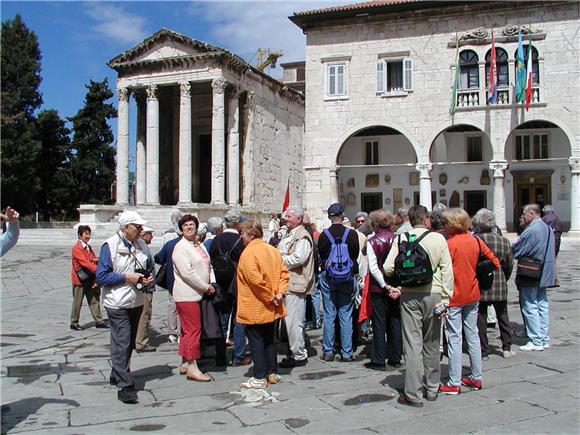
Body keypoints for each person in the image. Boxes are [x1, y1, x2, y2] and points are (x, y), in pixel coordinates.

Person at [384, 205, 454, 407]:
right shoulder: (438, 238)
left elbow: (388, 267)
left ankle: (413, 393)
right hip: (434, 294)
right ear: (426, 220)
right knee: (432, 342)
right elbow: (447, 269)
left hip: (409, 295)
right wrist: (447, 298)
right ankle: (432, 388)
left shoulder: (401, 238)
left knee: (412, 344)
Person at [439, 208, 499, 395]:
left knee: (455, 338)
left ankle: (454, 381)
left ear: (452, 224)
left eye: (447, 223)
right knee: (472, 335)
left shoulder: (449, 244)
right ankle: (476, 377)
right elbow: (495, 262)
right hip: (472, 294)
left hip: (454, 295)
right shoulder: (475, 240)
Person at [96, 210, 154, 403]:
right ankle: (125, 385)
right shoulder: (110, 246)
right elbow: (101, 277)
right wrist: (126, 277)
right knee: (123, 340)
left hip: (136, 300)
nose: (140, 230)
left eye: (141, 227)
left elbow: (148, 267)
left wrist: (147, 277)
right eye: (137, 227)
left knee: (127, 341)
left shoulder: (142, 245)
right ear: (125, 227)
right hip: (116, 301)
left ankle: (117, 371)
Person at [236, 219, 289, 388]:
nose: (241, 237)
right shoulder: (272, 250)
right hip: (272, 304)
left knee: (256, 339)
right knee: (269, 338)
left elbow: (254, 280)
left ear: (251, 234)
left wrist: (269, 296)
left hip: (256, 304)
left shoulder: (248, 253)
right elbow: (284, 273)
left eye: (242, 233)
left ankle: (259, 376)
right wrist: (279, 293)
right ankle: (272, 372)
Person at [172, 214, 216, 382]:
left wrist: (212, 281)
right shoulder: (180, 247)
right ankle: (192, 367)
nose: (189, 227)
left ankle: (185, 362)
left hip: (196, 293)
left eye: (191, 225)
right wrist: (205, 287)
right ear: (181, 229)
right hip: (187, 294)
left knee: (187, 330)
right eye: (185, 225)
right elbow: (187, 273)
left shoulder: (198, 244)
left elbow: (207, 265)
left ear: (197, 227)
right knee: (193, 330)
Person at [317, 203, 360, 362]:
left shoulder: (324, 235)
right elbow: (355, 254)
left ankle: (328, 351)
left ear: (329, 216)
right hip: (347, 277)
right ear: (342, 214)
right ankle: (346, 352)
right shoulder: (352, 234)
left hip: (329, 276)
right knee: (346, 314)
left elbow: (321, 253)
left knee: (329, 314)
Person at [471, 209, 515, 360]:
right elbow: (509, 264)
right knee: (503, 315)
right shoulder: (504, 241)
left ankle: (484, 351)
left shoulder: (475, 240)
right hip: (499, 282)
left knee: (481, 317)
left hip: (480, 282)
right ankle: (507, 347)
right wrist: (504, 277)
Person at [512, 204, 556, 351]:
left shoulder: (531, 230)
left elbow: (517, 250)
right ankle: (543, 337)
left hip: (532, 272)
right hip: (545, 270)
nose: (523, 216)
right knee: (542, 304)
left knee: (530, 304)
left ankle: (536, 340)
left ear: (532, 213)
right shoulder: (547, 228)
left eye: (524, 213)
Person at [209, 209, 248, 366]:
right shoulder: (241, 240)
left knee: (221, 320)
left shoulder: (216, 240)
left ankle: (220, 356)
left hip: (220, 284)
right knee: (239, 320)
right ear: (238, 223)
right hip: (238, 284)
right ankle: (238, 356)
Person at [277, 206, 315, 368]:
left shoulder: (303, 237)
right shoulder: (290, 234)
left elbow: (299, 258)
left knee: (294, 321)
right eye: (286, 216)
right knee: (289, 321)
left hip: (296, 283)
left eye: (289, 216)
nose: (286, 218)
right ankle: (294, 350)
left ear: (299, 219)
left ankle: (299, 355)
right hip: (288, 282)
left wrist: (278, 259)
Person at [364, 209, 401, 371]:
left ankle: (378, 358)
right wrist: (396, 286)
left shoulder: (372, 241)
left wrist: (384, 285)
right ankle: (395, 356)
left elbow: (373, 267)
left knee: (379, 322)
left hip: (378, 288)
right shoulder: (398, 239)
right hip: (396, 287)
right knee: (395, 320)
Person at [70, 225, 108, 331]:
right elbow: (85, 263)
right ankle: (74, 322)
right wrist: (99, 270)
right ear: (79, 235)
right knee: (78, 301)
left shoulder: (88, 247)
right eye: (86, 234)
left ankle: (99, 321)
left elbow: (92, 259)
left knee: (94, 299)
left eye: (89, 233)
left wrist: (97, 262)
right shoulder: (77, 248)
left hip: (89, 277)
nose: (88, 236)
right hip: (80, 279)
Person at [135, 227, 157, 353]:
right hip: (145, 286)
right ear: (144, 235)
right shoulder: (142, 248)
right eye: (150, 234)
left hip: (144, 285)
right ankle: (141, 342)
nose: (152, 237)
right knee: (145, 314)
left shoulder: (141, 247)